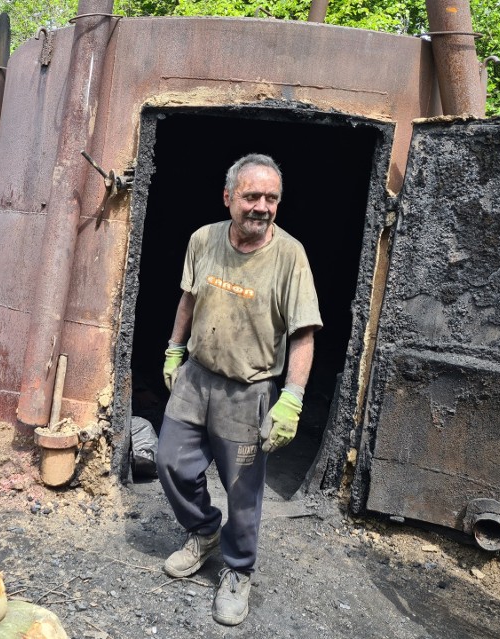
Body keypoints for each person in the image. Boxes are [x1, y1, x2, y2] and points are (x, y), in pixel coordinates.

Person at [156, 153, 322, 626]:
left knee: (243, 490)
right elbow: (188, 297)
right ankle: (204, 530)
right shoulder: (203, 239)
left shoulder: (290, 255)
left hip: (249, 390)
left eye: (271, 198)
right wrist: (174, 349)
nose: (262, 207)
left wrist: (292, 398)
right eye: (251, 196)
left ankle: (237, 571)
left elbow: (303, 334)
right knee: (171, 461)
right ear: (228, 197)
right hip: (197, 375)